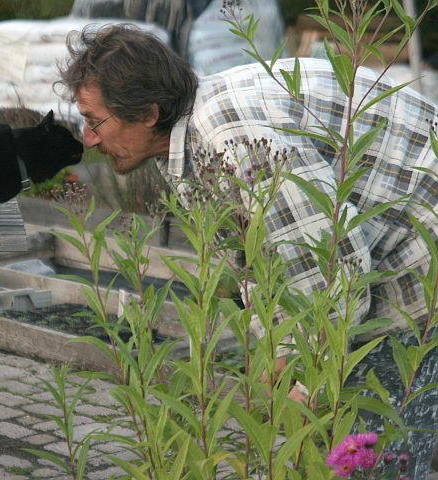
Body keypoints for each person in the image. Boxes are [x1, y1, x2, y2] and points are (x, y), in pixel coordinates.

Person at [58, 23, 438, 479]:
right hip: (390, 251)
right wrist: (275, 352)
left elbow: (336, 268)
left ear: (147, 112)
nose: (89, 138)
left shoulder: (233, 138)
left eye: (95, 120)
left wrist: (298, 369)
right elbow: (259, 260)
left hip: (418, 258)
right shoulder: (188, 143)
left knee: (371, 448)